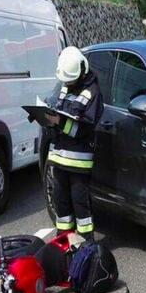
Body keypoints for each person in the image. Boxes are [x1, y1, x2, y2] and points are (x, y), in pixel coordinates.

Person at [47, 47, 102, 244]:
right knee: (60, 203)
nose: (67, 84)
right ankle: (63, 241)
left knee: (80, 206)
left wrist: (59, 123)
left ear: (81, 70)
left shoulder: (92, 93)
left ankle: (86, 244)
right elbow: (58, 110)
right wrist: (44, 118)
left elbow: (83, 130)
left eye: (70, 80)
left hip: (78, 162)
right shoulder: (66, 85)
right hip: (59, 157)